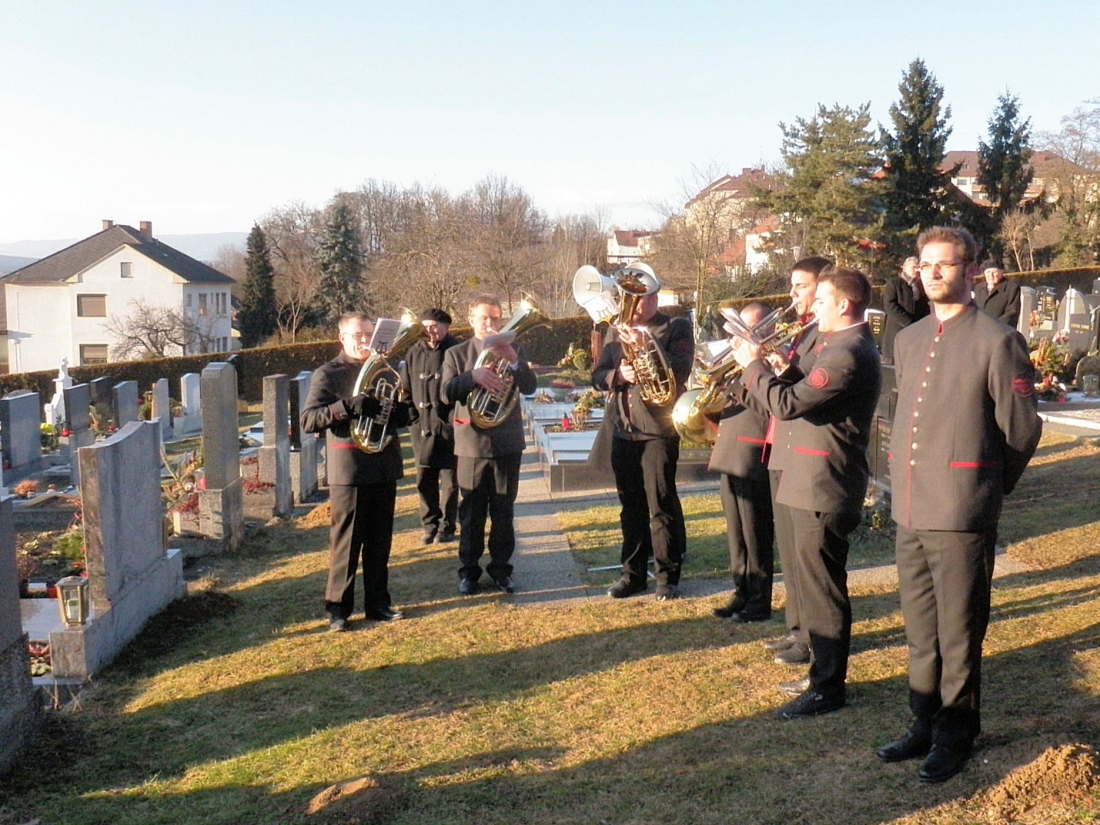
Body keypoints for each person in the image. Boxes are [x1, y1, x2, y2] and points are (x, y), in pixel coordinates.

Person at [878, 227, 1041, 783]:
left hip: (961, 509)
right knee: (921, 628)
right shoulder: (910, 336)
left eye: (946, 266)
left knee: (959, 631)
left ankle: (956, 734)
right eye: (926, 266)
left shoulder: (997, 339)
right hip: (911, 508)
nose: (934, 275)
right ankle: (923, 722)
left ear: (971, 271)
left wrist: (984, 489)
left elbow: (1021, 430)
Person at [733, 266, 881, 719]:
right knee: (811, 584)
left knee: (823, 590)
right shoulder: (835, 346)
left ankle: (828, 687)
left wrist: (753, 365)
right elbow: (804, 391)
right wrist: (785, 368)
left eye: (821, 301)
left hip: (824, 482)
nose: (813, 307)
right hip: (806, 477)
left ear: (843, 304)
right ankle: (819, 671)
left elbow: (787, 404)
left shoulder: (848, 350)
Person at [301, 311, 411, 632]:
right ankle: (338, 609)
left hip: (383, 463)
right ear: (342, 339)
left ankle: (378, 603)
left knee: (380, 542)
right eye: (357, 336)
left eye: (369, 335)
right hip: (349, 468)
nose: (364, 341)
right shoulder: (328, 373)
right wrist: (348, 407)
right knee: (347, 542)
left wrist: (398, 411)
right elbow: (309, 420)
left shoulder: (388, 372)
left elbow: (401, 414)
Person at [591, 267, 694, 601]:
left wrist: (646, 348)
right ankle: (632, 574)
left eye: (641, 298)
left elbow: (681, 369)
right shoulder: (614, 332)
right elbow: (598, 375)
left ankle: (667, 577)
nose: (633, 305)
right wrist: (617, 375)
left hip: (658, 431)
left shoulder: (676, 326)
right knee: (630, 506)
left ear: (654, 298)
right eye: (629, 298)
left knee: (660, 504)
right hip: (624, 429)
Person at [759, 256, 831, 667]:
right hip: (781, 446)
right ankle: (797, 629)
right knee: (788, 548)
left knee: (805, 555)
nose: (792, 296)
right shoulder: (805, 332)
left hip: (801, 450)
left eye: (799, 287)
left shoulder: (824, 335)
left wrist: (772, 368)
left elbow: (804, 390)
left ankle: (810, 637)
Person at [441, 295, 537, 596]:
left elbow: (531, 386)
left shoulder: (514, 350)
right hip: (471, 444)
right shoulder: (457, 354)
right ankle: (469, 572)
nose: (490, 323)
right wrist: (473, 376)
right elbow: (446, 393)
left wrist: (514, 361)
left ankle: (501, 570)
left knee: (504, 511)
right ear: (471, 319)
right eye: (484, 317)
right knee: (471, 513)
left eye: (495, 318)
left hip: (507, 443)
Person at [708, 302, 774, 623]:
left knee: (756, 532)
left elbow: (769, 405)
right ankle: (741, 591)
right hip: (728, 451)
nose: (737, 337)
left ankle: (759, 600)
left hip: (752, 453)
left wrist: (737, 380)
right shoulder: (741, 362)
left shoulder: (770, 361)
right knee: (736, 533)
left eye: (745, 330)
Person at [399, 308, 459, 545]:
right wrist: (414, 420)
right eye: (425, 326)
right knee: (424, 478)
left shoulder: (456, 350)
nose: (430, 330)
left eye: (435, 325)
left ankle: (447, 526)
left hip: (448, 427)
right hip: (421, 427)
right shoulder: (413, 352)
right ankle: (429, 525)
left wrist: (452, 419)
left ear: (447, 327)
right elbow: (405, 389)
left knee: (450, 481)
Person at [881, 256, 929, 364]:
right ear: (904, 268)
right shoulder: (894, 283)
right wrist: (908, 322)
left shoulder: (922, 286)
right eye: (913, 267)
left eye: (918, 267)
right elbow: (890, 306)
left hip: (916, 336)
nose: (916, 270)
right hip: (896, 334)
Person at [972, 260, 1022, 330]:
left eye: (994, 272)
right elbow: (974, 310)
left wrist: (993, 326)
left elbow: (1012, 313)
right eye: (988, 272)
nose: (991, 275)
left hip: (1001, 332)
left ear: (1001, 273)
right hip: (980, 331)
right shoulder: (978, 288)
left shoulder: (1011, 288)